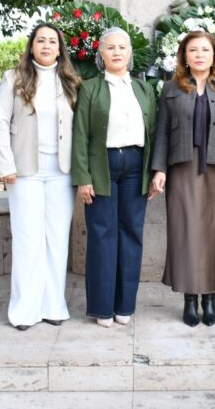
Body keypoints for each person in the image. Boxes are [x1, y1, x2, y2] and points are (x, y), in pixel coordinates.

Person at [150, 30, 215, 327]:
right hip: (182, 168)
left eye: (205, 50)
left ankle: (209, 297)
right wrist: (159, 169)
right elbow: (162, 132)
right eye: (193, 50)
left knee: (213, 234)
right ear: (184, 56)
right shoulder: (171, 88)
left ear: (214, 55)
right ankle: (190, 298)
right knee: (184, 233)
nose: (200, 55)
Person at [0, 23, 81, 330]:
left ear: (59, 48)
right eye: (40, 40)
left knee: (57, 239)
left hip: (61, 171)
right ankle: (24, 309)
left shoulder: (70, 81)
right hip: (24, 169)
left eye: (52, 41)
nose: (46, 46)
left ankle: (53, 305)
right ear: (31, 46)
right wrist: (6, 165)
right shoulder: (13, 78)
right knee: (28, 239)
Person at [72, 27, 158, 328]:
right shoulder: (90, 89)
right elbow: (80, 134)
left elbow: (154, 133)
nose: (117, 52)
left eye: (122, 47)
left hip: (136, 165)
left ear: (130, 53)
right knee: (102, 235)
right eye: (110, 47)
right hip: (102, 165)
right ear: (101, 54)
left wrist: (155, 172)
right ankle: (102, 307)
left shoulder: (144, 90)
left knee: (131, 234)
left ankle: (124, 305)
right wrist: (83, 177)